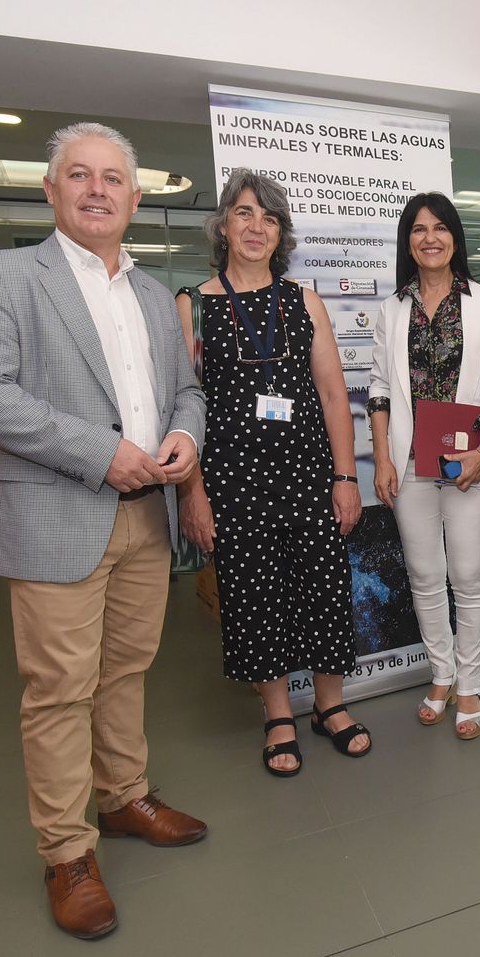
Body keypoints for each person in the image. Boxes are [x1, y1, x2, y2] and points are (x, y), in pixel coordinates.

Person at [0, 122, 209, 941]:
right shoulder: (2, 276)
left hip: (147, 518)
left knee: (127, 669)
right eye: (79, 175)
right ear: (51, 191)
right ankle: (67, 854)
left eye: (113, 178)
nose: (98, 189)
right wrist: (103, 454)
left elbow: (186, 392)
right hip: (58, 513)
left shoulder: (155, 293)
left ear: (135, 197)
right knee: (59, 690)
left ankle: (124, 796)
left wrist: (184, 438)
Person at [176, 169, 367, 778]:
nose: (257, 227)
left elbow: (335, 396)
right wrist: (193, 493)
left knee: (326, 590)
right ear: (223, 224)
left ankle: (330, 706)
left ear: (281, 233)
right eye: (245, 213)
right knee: (255, 598)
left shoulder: (302, 299)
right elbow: (183, 407)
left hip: (310, 477)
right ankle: (278, 714)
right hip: (233, 485)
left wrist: (346, 477)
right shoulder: (194, 305)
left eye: (270, 218)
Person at [368, 192, 480, 741]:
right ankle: (441, 675)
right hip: (409, 464)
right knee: (425, 577)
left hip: (468, 464)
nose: (430, 237)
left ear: (455, 236)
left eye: (440, 227)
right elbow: (379, 389)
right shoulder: (392, 308)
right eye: (418, 229)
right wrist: (382, 456)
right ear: (408, 241)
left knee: (470, 576)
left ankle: (470, 684)